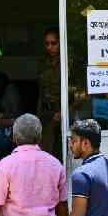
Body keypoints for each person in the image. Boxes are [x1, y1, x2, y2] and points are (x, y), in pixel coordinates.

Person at [38, 28, 62, 160]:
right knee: (46, 152)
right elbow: (41, 92)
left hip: (64, 113)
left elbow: (80, 93)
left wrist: (65, 111)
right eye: (47, 44)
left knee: (60, 150)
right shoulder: (43, 63)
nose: (50, 47)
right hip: (47, 114)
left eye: (53, 43)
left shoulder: (67, 62)